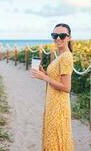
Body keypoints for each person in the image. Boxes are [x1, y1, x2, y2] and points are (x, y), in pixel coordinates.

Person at [31, 23, 74, 151]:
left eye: (62, 35)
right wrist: (43, 72)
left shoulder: (66, 57)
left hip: (59, 105)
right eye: (55, 35)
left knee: (56, 139)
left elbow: (66, 87)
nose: (58, 38)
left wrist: (44, 77)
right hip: (52, 102)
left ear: (69, 38)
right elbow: (55, 79)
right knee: (52, 138)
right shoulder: (60, 55)